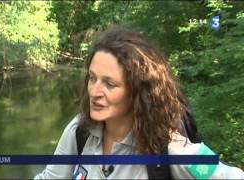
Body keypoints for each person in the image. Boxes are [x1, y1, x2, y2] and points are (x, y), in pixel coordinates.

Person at [34, 26, 244, 179]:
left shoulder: (170, 148)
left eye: (109, 84)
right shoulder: (80, 132)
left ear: (137, 91)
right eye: (92, 78)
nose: (94, 91)